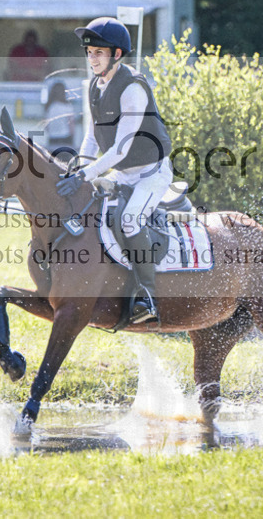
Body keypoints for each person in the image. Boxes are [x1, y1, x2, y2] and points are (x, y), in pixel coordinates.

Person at [56, 17, 173, 324]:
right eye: (89, 52)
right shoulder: (95, 86)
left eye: (98, 52)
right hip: (121, 173)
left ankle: (147, 296)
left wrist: (85, 175)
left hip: (151, 173)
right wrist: (78, 167)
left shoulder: (133, 88)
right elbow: (93, 136)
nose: (91, 58)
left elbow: (121, 148)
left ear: (117, 55)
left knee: (131, 221)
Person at [43, 81, 76, 161]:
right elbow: (71, 125)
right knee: (66, 165)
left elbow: (46, 127)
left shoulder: (49, 107)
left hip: (52, 138)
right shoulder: (67, 106)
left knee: (53, 165)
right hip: (65, 138)